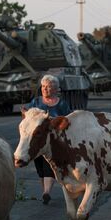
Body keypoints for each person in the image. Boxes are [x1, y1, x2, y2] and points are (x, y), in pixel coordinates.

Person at [24, 75, 72, 204]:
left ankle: (46, 192)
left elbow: (67, 121)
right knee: (40, 166)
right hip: (37, 140)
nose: (45, 89)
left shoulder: (61, 104)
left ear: (55, 89)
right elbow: (28, 118)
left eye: (49, 87)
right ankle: (45, 191)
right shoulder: (35, 102)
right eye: (43, 86)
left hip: (53, 142)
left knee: (48, 165)